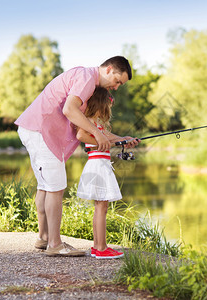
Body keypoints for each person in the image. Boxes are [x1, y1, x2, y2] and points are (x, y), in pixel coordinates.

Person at [15, 56, 139, 257]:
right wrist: (97, 133)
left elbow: (79, 120)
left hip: (36, 129)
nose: (116, 87)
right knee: (55, 187)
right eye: (118, 81)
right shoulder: (87, 77)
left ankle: (44, 237)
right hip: (42, 131)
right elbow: (69, 109)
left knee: (46, 186)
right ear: (108, 69)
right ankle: (54, 244)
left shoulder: (86, 80)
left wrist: (120, 139)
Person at [76, 87, 126, 259]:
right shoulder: (89, 120)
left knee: (100, 207)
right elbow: (81, 135)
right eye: (107, 106)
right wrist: (100, 143)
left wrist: (124, 140)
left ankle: (98, 247)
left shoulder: (96, 122)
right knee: (101, 206)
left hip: (99, 165)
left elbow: (108, 135)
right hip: (98, 165)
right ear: (101, 104)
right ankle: (102, 248)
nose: (108, 111)